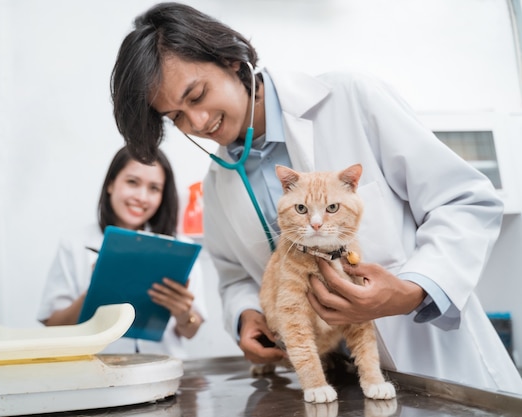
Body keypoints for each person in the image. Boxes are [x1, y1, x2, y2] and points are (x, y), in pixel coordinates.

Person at [108, 2, 522, 394]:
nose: (197, 122)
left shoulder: (350, 98)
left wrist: (411, 291)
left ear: (231, 60)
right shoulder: (218, 184)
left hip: (434, 367)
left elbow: (465, 200)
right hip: (333, 381)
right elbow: (234, 275)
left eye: (196, 96)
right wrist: (246, 316)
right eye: (176, 116)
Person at [37, 146, 206, 358]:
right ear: (111, 184)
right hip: (96, 372)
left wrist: (183, 314)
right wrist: (95, 291)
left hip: (164, 370)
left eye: (154, 188)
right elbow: (53, 327)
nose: (142, 197)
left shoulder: (179, 248)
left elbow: (191, 331)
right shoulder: (74, 244)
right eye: (132, 182)